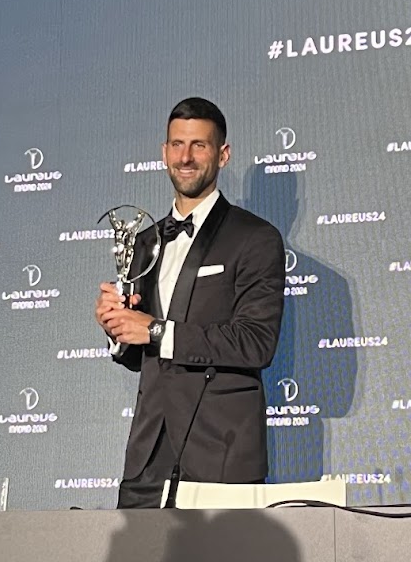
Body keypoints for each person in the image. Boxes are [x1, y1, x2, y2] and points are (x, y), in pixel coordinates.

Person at [95, 97, 285, 508]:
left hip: (222, 455)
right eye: (177, 144)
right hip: (148, 459)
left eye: (199, 145)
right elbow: (140, 356)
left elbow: (256, 342)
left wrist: (157, 330)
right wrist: (119, 330)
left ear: (223, 154)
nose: (185, 157)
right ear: (164, 153)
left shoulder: (255, 238)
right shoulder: (144, 242)